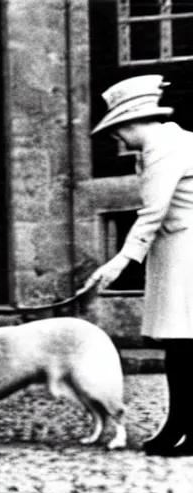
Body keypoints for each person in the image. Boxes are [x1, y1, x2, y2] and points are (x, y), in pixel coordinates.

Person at [87, 74, 193, 457]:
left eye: (118, 131)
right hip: (178, 252)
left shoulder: (164, 147)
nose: (118, 139)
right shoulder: (172, 141)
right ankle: (180, 426)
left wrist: (119, 261)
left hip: (186, 256)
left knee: (183, 348)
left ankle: (181, 428)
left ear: (132, 122)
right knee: (182, 348)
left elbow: (152, 212)